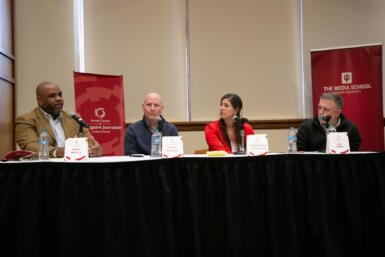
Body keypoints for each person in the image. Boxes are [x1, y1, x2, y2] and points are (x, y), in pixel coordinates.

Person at [15, 81, 103, 158]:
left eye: (60, 95)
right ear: (40, 100)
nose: (59, 99)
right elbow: (30, 147)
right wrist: (56, 152)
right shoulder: (26, 120)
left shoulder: (73, 118)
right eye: (52, 96)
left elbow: (91, 143)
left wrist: (96, 150)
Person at [297, 92, 361, 152]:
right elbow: (301, 156)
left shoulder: (351, 129)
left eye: (325, 109)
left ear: (337, 113)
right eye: (319, 108)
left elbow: (353, 157)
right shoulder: (305, 128)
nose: (321, 112)